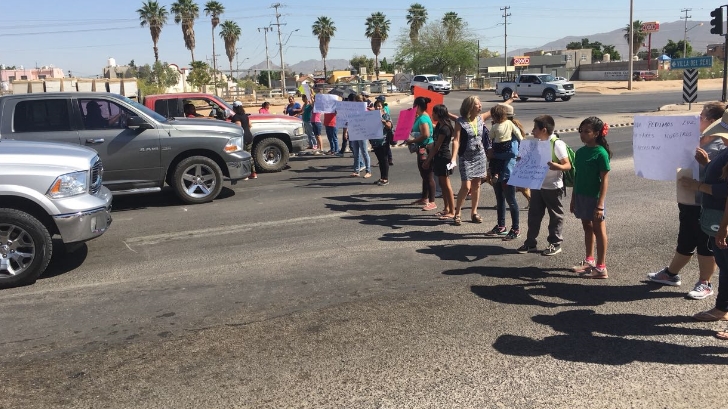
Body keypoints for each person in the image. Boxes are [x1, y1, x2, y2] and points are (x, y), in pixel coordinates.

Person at [648, 102, 726, 298]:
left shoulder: (720, 145)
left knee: (705, 243)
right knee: (686, 238)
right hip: (688, 199)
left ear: (713, 122)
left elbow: (721, 182)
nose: (697, 120)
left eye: (701, 117)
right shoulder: (696, 139)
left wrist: (704, 164)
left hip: (706, 203)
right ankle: (671, 274)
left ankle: (705, 283)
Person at [679, 115, 728, 336]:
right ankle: (722, 308)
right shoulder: (726, 151)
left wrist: (697, 185)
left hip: (723, 218)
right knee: (725, 266)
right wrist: (707, 164)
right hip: (717, 216)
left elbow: (725, 191)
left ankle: (722, 308)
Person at [517, 115, 571, 256]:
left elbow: (567, 165)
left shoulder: (556, 144)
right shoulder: (537, 143)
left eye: (535, 128)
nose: (533, 131)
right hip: (537, 185)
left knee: (555, 216)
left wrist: (556, 166)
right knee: (534, 215)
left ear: (544, 130)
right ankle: (530, 243)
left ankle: (555, 243)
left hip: (552, 187)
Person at [450, 95, 508, 226]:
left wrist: (511, 100)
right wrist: (453, 158)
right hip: (466, 157)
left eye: (480, 103)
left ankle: (474, 213)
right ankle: (457, 212)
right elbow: (456, 140)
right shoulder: (460, 121)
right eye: (477, 104)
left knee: (476, 185)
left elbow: (497, 108)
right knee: (466, 186)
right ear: (470, 106)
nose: (480, 106)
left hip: (480, 156)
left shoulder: (480, 118)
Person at [570, 116, 611, 279]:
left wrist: (600, 204)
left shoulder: (601, 153)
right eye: (581, 131)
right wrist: (573, 198)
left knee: (599, 230)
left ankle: (601, 267)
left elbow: (605, 180)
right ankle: (589, 260)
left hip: (594, 198)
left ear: (596, 133)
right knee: (587, 226)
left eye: (587, 131)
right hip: (581, 195)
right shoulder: (579, 152)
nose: (582, 134)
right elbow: (577, 176)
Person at [485, 103, 523, 240]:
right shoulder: (498, 128)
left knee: (511, 200)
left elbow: (512, 153)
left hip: (508, 171)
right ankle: (501, 226)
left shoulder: (511, 133)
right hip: (497, 169)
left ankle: (515, 229)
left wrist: (493, 155)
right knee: (499, 198)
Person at [405, 96, 436, 211]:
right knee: (424, 174)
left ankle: (432, 202)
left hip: (425, 148)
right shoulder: (423, 116)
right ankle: (424, 198)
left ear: (417, 106)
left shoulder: (423, 118)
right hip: (422, 148)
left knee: (428, 175)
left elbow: (426, 135)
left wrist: (412, 141)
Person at [425, 104, 456, 220]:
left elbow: (437, 146)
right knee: (442, 185)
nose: (432, 114)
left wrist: (428, 160)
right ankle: (446, 208)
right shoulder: (439, 125)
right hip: (438, 157)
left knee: (446, 185)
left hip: (444, 157)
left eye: (434, 113)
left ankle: (452, 211)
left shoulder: (445, 128)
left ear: (439, 114)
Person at [231, 101, 257, 179]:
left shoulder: (236, 117)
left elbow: (238, 128)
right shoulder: (245, 116)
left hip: (243, 139)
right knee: (249, 156)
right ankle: (253, 173)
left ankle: (245, 174)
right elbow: (250, 125)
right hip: (249, 137)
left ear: (235, 108)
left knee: (243, 157)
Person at [371, 99, 392, 186]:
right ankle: (382, 177)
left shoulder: (386, 116)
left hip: (383, 141)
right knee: (380, 160)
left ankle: (386, 179)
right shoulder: (371, 116)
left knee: (384, 159)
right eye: (376, 106)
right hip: (375, 142)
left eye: (379, 106)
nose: (378, 108)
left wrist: (384, 122)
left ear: (382, 107)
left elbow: (389, 126)